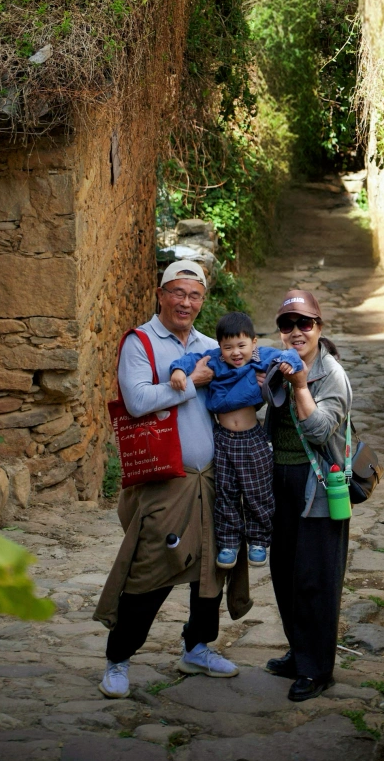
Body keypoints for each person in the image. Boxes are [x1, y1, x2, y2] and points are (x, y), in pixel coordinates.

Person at [93, 261, 251, 698]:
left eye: (194, 295)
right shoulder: (140, 342)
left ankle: (197, 647)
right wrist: (191, 382)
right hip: (166, 481)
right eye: (178, 292)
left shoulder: (210, 345)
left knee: (213, 567)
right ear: (161, 294)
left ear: (202, 300)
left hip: (213, 477)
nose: (186, 302)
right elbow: (136, 400)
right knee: (151, 569)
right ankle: (118, 659)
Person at [264, 289, 353, 703]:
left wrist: (300, 386)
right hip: (281, 482)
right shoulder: (279, 364)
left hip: (318, 486)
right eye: (288, 324)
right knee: (285, 573)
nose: (296, 331)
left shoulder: (331, 374)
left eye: (304, 323)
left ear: (318, 327)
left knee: (316, 579)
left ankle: (317, 670)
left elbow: (319, 431)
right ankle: (300, 652)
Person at [169, 311, 304, 569]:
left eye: (241, 345)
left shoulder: (260, 357)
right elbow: (191, 359)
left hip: (252, 439)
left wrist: (289, 364)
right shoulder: (216, 362)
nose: (235, 353)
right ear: (220, 347)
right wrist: (177, 370)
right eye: (228, 347)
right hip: (223, 440)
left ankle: (258, 540)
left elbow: (288, 355)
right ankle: (229, 542)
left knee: (258, 491)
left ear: (254, 342)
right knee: (226, 492)